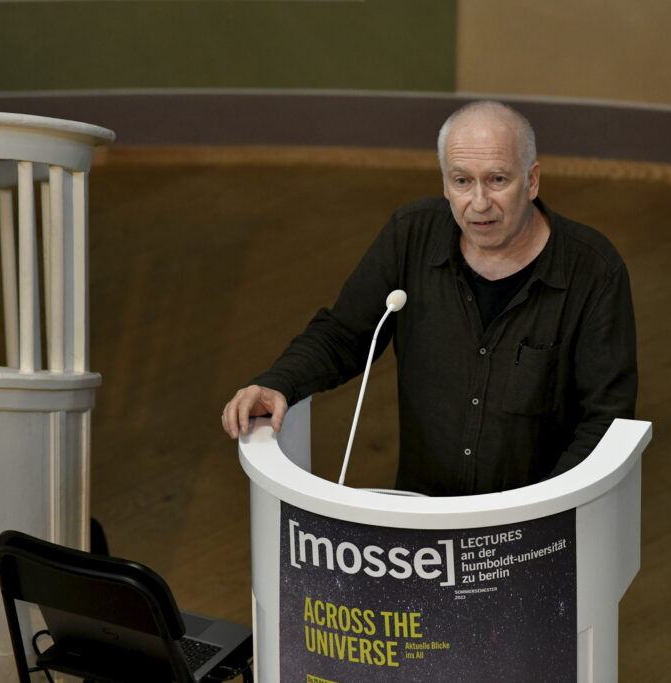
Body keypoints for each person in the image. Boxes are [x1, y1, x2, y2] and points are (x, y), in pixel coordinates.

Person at [221, 100, 637, 496]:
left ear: (531, 180)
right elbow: (344, 335)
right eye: (462, 181)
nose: (479, 203)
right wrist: (279, 383)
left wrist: (543, 515)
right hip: (424, 523)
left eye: (497, 179)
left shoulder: (593, 270)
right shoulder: (410, 235)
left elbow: (605, 420)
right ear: (445, 184)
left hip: (535, 532)